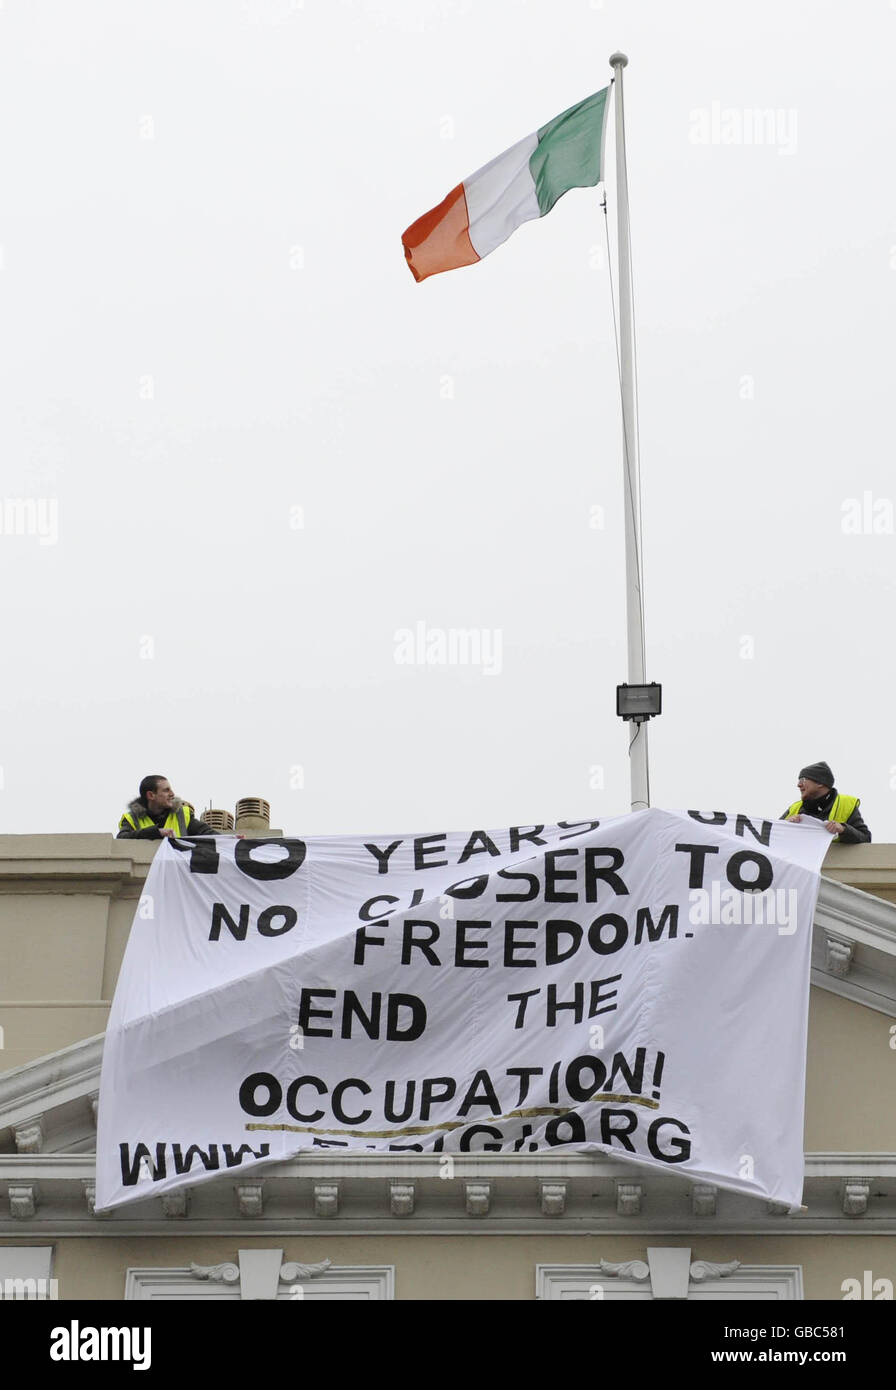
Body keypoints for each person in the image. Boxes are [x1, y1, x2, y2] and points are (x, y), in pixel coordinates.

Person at [781, 761, 871, 844]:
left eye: (802, 780)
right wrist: (787, 826)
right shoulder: (795, 808)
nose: (798, 785)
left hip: (835, 861)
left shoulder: (846, 804)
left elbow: (866, 838)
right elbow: (770, 836)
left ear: (820, 783)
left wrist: (843, 829)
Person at [117, 775, 213, 840]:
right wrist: (156, 832)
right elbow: (122, 839)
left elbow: (208, 834)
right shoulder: (131, 819)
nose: (172, 794)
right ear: (151, 795)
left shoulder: (182, 815)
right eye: (166, 790)